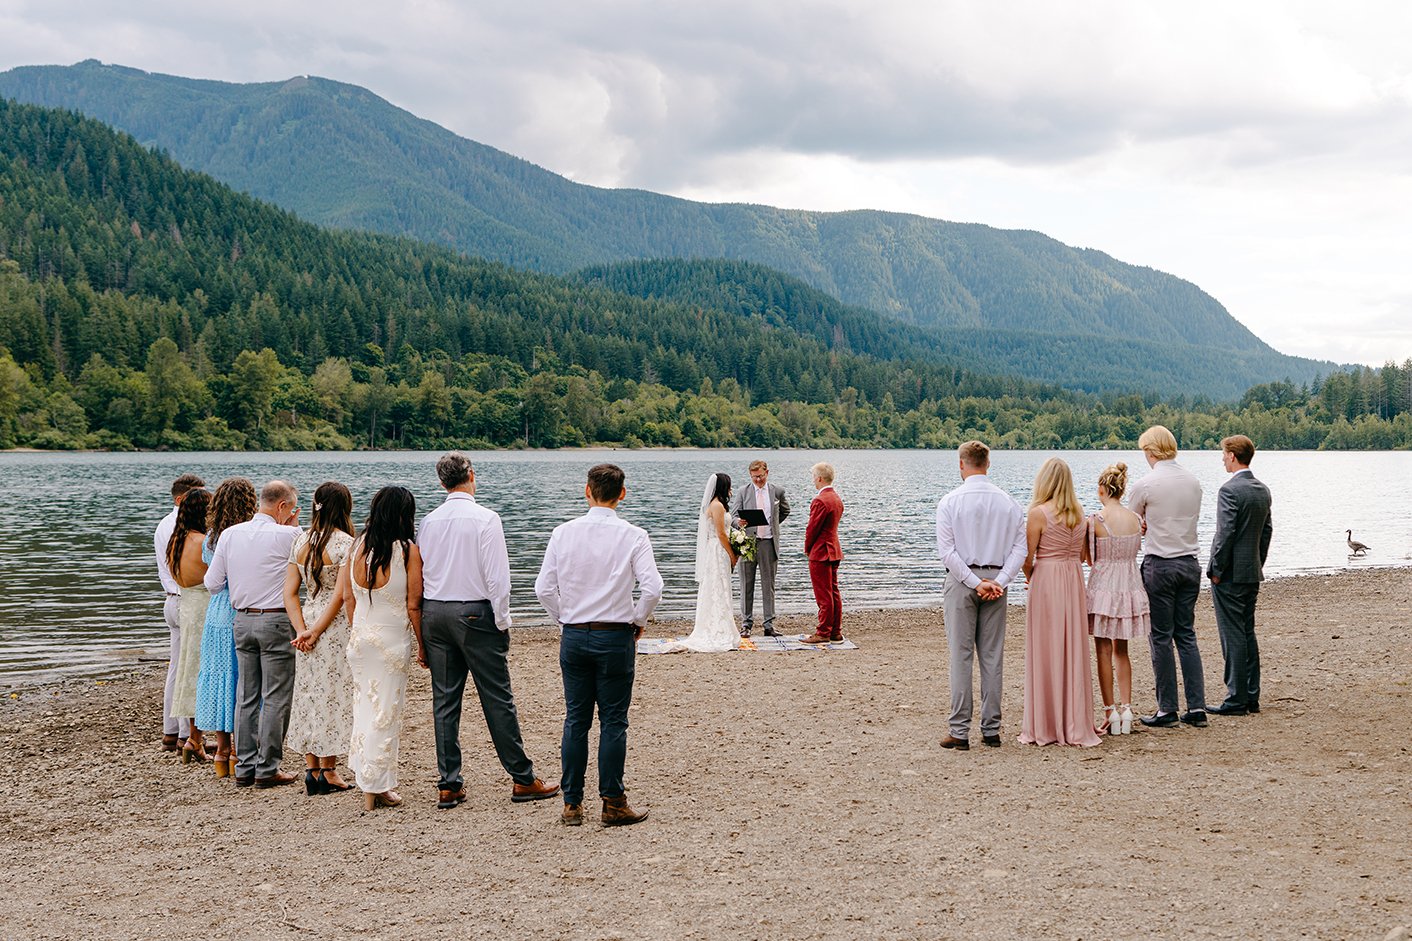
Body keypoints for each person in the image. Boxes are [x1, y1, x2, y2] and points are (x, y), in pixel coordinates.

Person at [418, 453, 558, 810]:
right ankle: (522, 778)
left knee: (444, 701)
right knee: (497, 697)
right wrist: (502, 620)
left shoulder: (429, 521)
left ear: (442, 482)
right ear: (472, 476)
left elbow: (424, 570)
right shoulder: (486, 518)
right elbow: (498, 578)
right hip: (474, 613)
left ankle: (449, 784)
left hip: (435, 611)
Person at [535, 463, 664, 826]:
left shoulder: (562, 533)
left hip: (575, 635)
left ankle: (572, 803)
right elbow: (653, 588)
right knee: (613, 721)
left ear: (587, 491)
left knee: (576, 719)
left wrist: (564, 618)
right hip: (614, 635)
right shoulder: (634, 535)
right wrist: (638, 620)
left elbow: (543, 589)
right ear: (622, 493)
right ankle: (612, 801)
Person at [204, 480, 302, 788]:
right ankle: (268, 767)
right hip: (276, 620)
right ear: (282, 506)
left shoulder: (230, 534)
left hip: (242, 620)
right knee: (275, 695)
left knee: (245, 695)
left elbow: (212, 584)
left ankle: (245, 766)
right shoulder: (290, 535)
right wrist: (294, 528)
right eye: (291, 510)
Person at [935, 441, 1026, 750]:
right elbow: (1020, 549)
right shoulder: (1009, 502)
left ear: (962, 464)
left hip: (962, 582)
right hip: (996, 583)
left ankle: (959, 731)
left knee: (960, 656)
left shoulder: (950, 501)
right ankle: (991, 730)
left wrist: (975, 582)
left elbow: (947, 553)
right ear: (988, 463)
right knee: (992, 656)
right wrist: (999, 581)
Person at [345, 486, 425, 810]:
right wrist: (423, 646)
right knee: (385, 714)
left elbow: (349, 599)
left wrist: (358, 632)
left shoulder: (357, 545)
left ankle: (369, 779)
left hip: (360, 640)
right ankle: (375, 786)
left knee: (364, 709)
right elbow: (414, 605)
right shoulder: (406, 550)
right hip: (391, 643)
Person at [1128, 425, 1208, 729]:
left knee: (1160, 637)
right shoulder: (1193, 482)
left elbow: (1131, 524)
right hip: (1189, 563)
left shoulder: (1146, 484)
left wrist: (1145, 524)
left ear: (1151, 451)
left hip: (1160, 564)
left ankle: (1167, 708)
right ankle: (1197, 706)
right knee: (1186, 634)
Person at [1019, 458, 1100, 747]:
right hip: (1073, 580)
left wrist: (1032, 577)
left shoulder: (1038, 514)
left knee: (1046, 647)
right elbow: (1082, 556)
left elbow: (1026, 558)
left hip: (1047, 580)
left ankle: (1047, 724)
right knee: (1072, 646)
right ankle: (1074, 720)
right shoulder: (1080, 514)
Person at [283, 481, 357, 795]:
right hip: (333, 626)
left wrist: (302, 629)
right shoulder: (346, 544)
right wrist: (315, 632)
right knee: (333, 693)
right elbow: (340, 596)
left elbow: (289, 593)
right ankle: (329, 770)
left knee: (309, 692)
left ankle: (311, 769)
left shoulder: (300, 540)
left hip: (308, 617)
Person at [1206, 435, 1273, 717]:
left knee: (1232, 634)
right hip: (1251, 571)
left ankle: (1236, 699)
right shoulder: (1262, 490)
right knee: (1247, 632)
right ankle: (1251, 696)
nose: (1222, 458)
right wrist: (1258, 562)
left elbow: (1225, 534)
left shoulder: (1229, 491)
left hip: (1230, 575)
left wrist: (1216, 570)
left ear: (1233, 455)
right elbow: (1267, 531)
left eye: (1224, 454)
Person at [195, 477, 257, 778]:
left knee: (220, 678)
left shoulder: (211, 538)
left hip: (217, 612)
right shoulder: (249, 535)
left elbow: (213, 580)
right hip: (241, 607)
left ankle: (221, 751)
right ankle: (239, 752)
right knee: (244, 681)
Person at [1086, 463, 1151, 736]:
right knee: (1121, 650)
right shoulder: (1136, 519)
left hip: (1103, 586)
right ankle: (1127, 708)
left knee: (1102, 650)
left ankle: (1109, 711)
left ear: (1102, 490)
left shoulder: (1096, 520)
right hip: (1129, 585)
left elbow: (1090, 559)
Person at [663, 473, 740, 653]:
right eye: (729, 486)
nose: (731, 489)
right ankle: (718, 629)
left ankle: (720, 624)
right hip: (718, 549)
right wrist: (732, 554)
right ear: (723, 487)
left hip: (716, 548)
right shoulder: (717, 506)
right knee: (718, 586)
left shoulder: (715, 504)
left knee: (718, 586)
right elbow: (721, 533)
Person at [155, 473, 205, 752]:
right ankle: (188, 734)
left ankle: (170, 731)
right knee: (189, 667)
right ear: (181, 499)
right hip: (188, 601)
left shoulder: (164, 524)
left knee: (177, 666)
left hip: (171, 599)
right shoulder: (186, 529)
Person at [166, 486, 212, 764]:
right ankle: (197, 739)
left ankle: (194, 737)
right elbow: (217, 577)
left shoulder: (176, 540)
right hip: (205, 607)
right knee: (205, 671)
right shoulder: (203, 542)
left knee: (190, 669)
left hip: (187, 605)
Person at [730, 460, 791, 638]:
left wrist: (774, 526)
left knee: (768, 585)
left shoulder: (777, 491)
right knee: (746, 585)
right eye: (754, 477)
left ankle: (768, 625)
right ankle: (746, 624)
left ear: (767, 473)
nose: (758, 480)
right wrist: (738, 522)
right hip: (748, 543)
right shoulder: (743, 491)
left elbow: (785, 511)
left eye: (760, 476)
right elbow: (733, 516)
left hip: (768, 544)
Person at [801, 462, 844, 645]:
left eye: (814, 477)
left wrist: (807, 548)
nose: (813, 481)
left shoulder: (820, 500)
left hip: (821, 552)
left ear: (819, 478)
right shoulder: (836, 498)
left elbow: (812, 529)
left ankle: (823, 632)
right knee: (833, 592)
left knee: (823, 594)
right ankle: (835, 631)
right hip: (833, 549)